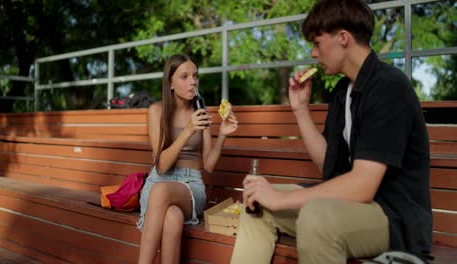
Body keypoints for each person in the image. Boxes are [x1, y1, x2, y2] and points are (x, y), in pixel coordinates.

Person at [231, 0, 432, 263]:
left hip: (393, 217)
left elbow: (363, 186)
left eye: (317, 43)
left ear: (343, 38)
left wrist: (281, 198)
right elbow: (329, 165)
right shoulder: (342, 92)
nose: (314, 54)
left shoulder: (388, 87)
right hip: (352, 208)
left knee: (316, 218)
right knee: (257, 206)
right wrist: (301, 109)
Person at [137, 54, 238, 264]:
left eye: (195, 76)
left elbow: (209, 164)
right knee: (173, 216)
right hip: (158, 180)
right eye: (184, 76)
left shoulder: (201, 111)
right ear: (170, 83)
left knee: (162, 192)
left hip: (191, 185)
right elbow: (162, 166)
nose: (193, 81)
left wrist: (223, 134)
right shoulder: (156, 111)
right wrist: (188, 131)